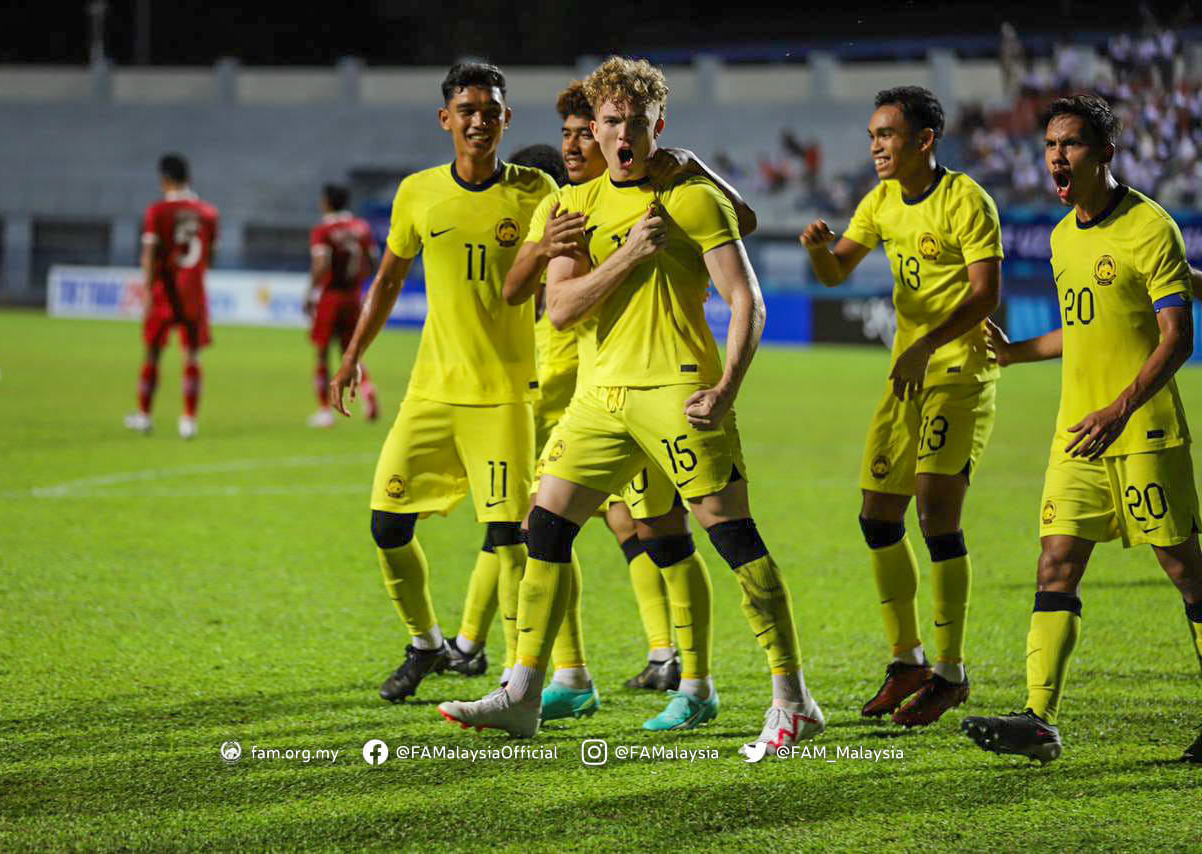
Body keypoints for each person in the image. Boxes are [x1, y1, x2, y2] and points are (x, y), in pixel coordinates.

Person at [440, 57, 824, 758]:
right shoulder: (571, 206)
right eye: (609, 122)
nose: (620, 136)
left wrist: (727, 387)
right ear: (595, 125)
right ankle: (525, 693)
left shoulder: (692, 198)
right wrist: (627, 257)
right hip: (599, 399)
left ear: (658, 127)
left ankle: (793, 697)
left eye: (634, 123)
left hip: (678, 392)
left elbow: (748, 301)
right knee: (544, 528)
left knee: (730, 536)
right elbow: (556, 309)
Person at [962, 95, 1202, 764]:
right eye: (1050, 146)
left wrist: (1118, 409)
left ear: (1105, 154)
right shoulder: (1066, 236)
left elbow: (1176, 339)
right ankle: (1038, 720)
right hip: (1079, 434)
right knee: (1056, 562)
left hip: (1143, 430)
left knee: (1185, 571)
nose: (1056, 157)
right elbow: (1084, 329)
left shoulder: (1151, 228)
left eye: (1070, 144)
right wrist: (1014, 353)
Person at [329, 62, 557, 704]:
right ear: (446, 118)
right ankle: (427, 643)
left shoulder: (537, 190)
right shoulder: (417, 194)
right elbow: (388, 280)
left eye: (491, 109)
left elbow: (567, 272)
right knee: (387, 525)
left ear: (507, 119)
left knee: (509, 540)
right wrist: (353, 355)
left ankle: (518, 680)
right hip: (431, 390)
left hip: (506, 395)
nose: (479, 119)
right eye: (467, 109)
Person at [800, 86, 1003, 727]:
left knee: (937, 514)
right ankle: (907, 660)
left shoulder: (967, 200)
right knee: (877, 516)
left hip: (959, 372)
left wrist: (927, 346)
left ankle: (950, 672)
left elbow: (984, 295)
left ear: (924, 140)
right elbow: (836, 271)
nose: (875, 147)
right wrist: (816, 249)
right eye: (871, 136)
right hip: (907, 377)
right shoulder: (880, 201)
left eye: (886, 135)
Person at [125, 153, 218, 440]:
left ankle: (144, 416)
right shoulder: (208, 213)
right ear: (188, 178)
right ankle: (189, 420)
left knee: (153, 352)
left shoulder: (157, 212)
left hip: (165, 292)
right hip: (193, 292)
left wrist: (148, 290)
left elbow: (150, 255)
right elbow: (210, 254)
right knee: (191, 354)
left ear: (164, 180)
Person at [305, 183, 379, 427]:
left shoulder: (323, 230)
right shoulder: (361, 228)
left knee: (323, 352)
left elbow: (321, 264)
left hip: (331, 297)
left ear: (326, 202)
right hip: (353, 296)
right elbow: (372, 259)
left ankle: (325, 411)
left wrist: (310, 291)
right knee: (351, 352)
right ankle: (367, 392)